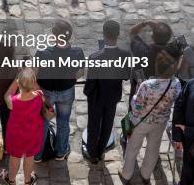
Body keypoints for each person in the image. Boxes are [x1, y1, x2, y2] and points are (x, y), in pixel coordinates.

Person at [120, 48, 182, 183]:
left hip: (141, 122)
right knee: (153, 149)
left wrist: (136, 94)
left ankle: (126, 174)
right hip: (160, 122)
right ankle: (146, 175)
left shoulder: (147, 85)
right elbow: (176, 101)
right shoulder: (176, 83)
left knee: (132, 148)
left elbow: (136, 105)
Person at [34, 19, 85, 161]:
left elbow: (34, 73)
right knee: (63, 122)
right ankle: (60, 151)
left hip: (46, 94)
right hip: (66, 92)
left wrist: (39, 92)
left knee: (43, 122)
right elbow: (81, 72)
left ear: (54, 35)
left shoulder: (43, 53)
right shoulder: (77, 52)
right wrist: (71, 79)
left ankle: (38, 154)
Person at [83, 20, 131, 164]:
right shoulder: (126, 55)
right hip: (113, 96)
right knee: (107, 124)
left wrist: (88, 94)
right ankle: (101, 150)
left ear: (103, 34)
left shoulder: (94, 57)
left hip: (96, 98)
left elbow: (90, 82)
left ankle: (92, 154)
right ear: (118, 35)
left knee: (93, 125)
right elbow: (126, 76)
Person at [0, 68, 44, 185]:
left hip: (16, 135)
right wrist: (30, 77)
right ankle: (27, 181)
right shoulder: (39, 96)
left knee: (14, 157)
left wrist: (17, 78)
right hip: (33, 133)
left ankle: (12, 180)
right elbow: (36, 88)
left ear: (19, 83)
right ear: (34, 83)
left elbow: (7, 94)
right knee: (30, 157)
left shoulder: (13, 101)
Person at [173, 79, 194, 185]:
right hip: (189, 142)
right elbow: (179, 107)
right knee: (187, 170)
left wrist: (188, 130)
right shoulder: (191, 84)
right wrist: (177, 136)